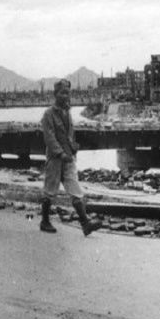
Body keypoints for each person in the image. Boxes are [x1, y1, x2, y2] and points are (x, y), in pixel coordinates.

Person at [40, 79, 102, 236]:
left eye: (67, 92)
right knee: (50, 190)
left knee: (75, 189)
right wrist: (60, 153)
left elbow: (69, 133)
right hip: (55, 158)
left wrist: (72, 147)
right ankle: (44, 221)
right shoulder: (48, 114)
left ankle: (85, 223)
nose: (65, 96)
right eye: (62, 92)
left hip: (68, 157)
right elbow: (49, 137)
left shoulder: (68, 112)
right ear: (55, 94)